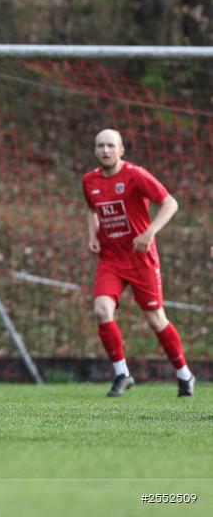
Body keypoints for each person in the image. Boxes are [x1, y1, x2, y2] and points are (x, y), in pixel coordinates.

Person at [83, 129, 194, 397]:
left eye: (111, 145)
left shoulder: (135, 175)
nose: (105, 150)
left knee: (156, 320)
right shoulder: (89, 181)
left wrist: (150, 232)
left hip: (141, 258)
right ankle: (122, 373)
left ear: (121, 150)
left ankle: (184, 375)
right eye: (100, 146)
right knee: (101, 310)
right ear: (95, 150)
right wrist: (92, 235)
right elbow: (91, 209)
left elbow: (170, 203)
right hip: (110, 259)